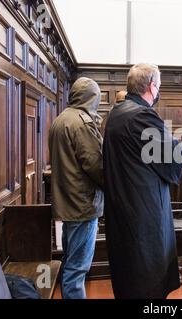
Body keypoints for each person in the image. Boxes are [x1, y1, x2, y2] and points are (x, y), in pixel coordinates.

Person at [103, 63, 182, 299]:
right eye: (158, 86)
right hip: (142, 214)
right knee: (146, 282)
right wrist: (181, 148)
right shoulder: (142, 115)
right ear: (151, 86)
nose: (158, 91)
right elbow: (173, 159)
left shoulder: (117, 112)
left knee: (129, 278)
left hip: (123, 207)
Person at [49, 77, 103, 299]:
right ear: (92, 97)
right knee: (77, 268)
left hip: (67, 202)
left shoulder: (61, 119)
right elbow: (95, 164)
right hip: (82, 204)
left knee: (70, 260)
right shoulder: (81, 122)